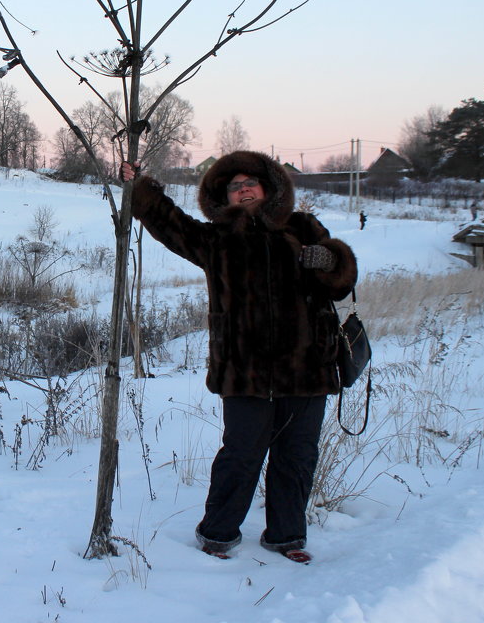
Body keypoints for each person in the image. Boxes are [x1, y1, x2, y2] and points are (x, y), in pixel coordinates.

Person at [122, 151, 357, 564]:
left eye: (251, 182)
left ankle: (287, 536)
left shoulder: (301, 227)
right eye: (234, 185)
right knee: (240, 454)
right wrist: (139, 186)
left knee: (297, 456)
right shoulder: (215, 240)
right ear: (223, 197)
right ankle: (218, 533)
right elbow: (168, 223)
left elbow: (343, 282)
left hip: (307, 370)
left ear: (268, 189)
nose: (244, 189)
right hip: (245, 372)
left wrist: (330, 259)